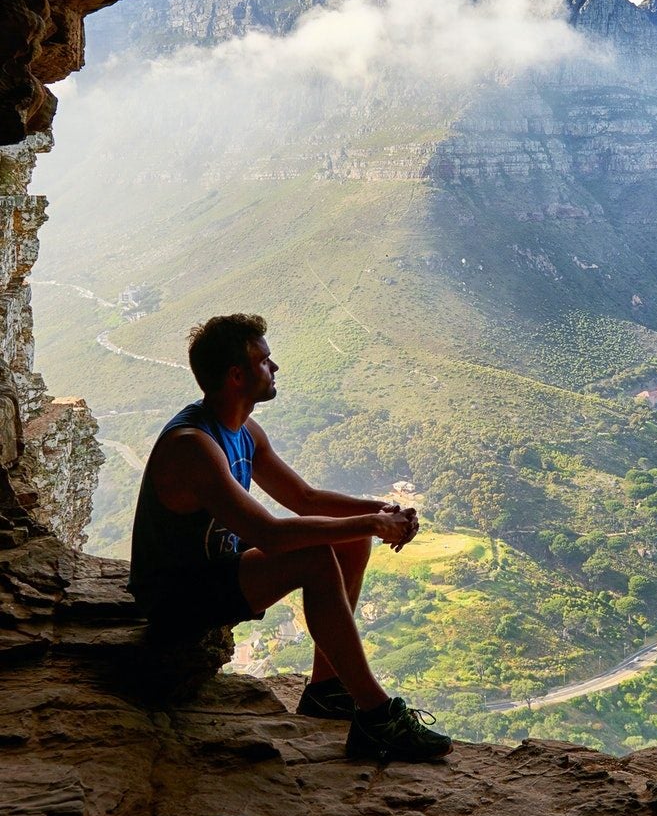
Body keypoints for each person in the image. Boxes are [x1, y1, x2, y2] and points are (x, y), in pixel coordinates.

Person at [127, 312, 452, 763]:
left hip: (215, 569)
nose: (274, 367)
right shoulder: (193, 446)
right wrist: (372, 524)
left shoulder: (243, 431)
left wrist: (379, 512)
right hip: (177, 596)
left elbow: (304, 497)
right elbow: (269, 535)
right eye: (264, 360)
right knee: (314, 558)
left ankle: (327, 691)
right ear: (236, 376)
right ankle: (377, 717)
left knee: (349, 540)